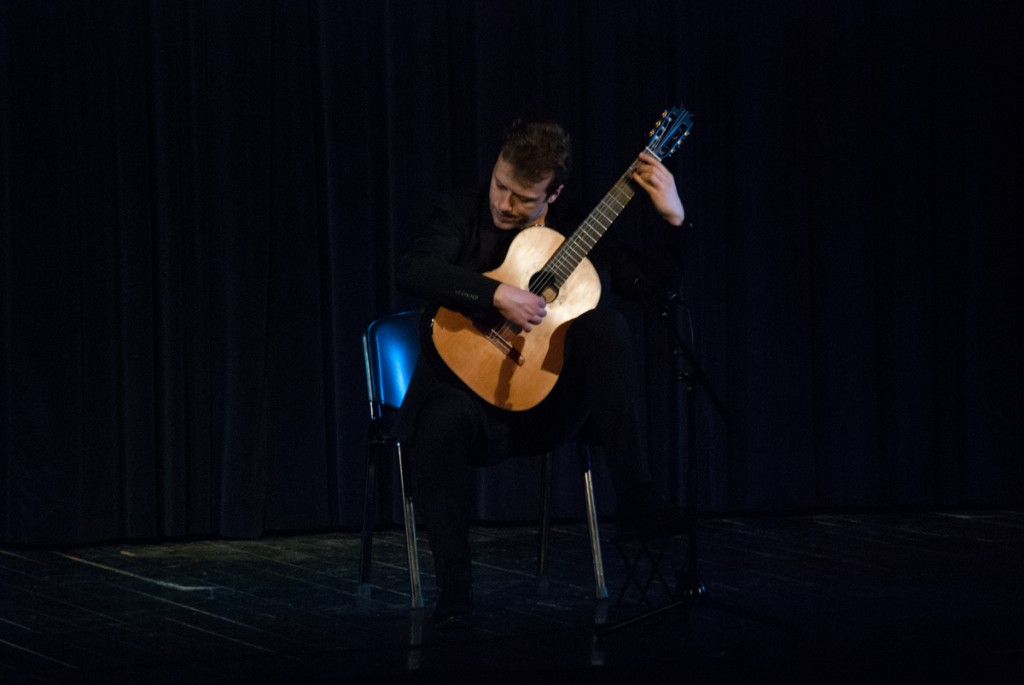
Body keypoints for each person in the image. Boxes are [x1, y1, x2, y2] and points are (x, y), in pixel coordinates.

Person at [392, 119, 688, 628]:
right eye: (500, 186)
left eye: (523, 198)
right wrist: (495, 294)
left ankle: (636, 498)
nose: (505, 204)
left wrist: (673, 220)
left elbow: (657, 294)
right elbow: (414, 269)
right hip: (471, 405)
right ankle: (455, 595)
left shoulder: (579, 227)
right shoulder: (461, 210)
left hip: (548, 407)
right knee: (439, 423)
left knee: (605, 324)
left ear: (553, 195)